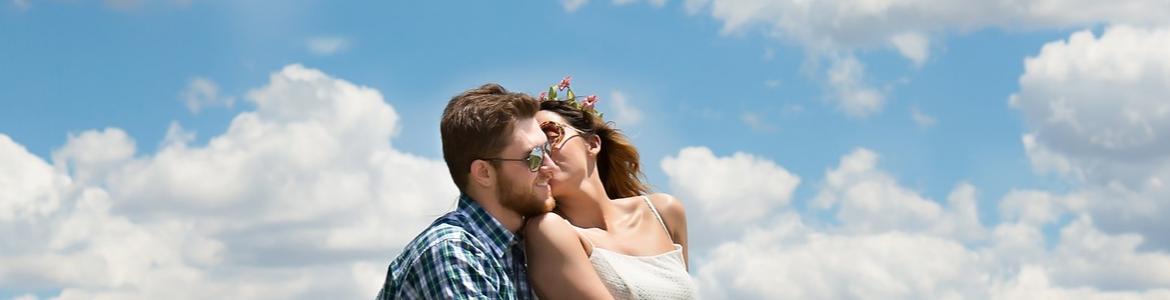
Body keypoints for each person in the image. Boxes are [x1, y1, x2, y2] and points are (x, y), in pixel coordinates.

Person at [524, 77, 698, 299]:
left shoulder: (665, 212)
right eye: (532, 153)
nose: (543, 157)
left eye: (551, 137)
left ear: (592, 143)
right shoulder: (548, 230)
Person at [377, 83, 554, 300]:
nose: (551, 167)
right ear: (484, 173)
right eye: (534, 157)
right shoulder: (453, 252)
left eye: (548, 149)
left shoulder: (517, 248)